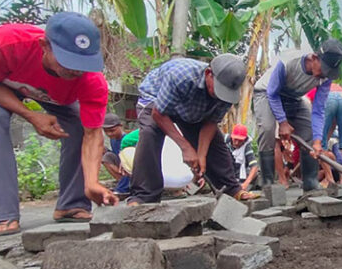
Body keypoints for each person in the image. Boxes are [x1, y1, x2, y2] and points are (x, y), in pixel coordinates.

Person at [0, 12, 118, 236]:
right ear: (44, 45)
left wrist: (92, 182)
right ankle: (3, 213)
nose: (75, 70)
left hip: (50, 95)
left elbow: (92, 134)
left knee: (77, 123)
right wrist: (31, 115)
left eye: (82, 64)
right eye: (68, 62)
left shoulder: (91, 81)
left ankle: (72, 203)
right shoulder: (8, 42)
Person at [128, 55, 258, 205]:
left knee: (216, 144)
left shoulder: (228, 93)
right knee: (150, 133)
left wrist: (201, 155)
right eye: (217, 89)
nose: (219, 95)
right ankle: (144, 197)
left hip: (191, 110)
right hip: (156, 101)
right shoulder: (181, 77)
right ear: (209, 74)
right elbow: (159, 114)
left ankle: (231, 190)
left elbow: (210, 122)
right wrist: (186, 148)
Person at [253, 39, 342, 191]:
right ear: (314, 58)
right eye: (324, 69)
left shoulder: (325, 78)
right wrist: (283, 122)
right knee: (267, 128)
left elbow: (318, 110)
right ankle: (268, 182)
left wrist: (317, 141)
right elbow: (273, 94)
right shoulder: (288, 62)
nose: (325, 74)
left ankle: (310, 183)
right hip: (266, 93)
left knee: (309, 133)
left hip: (294, 98)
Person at [101, 113, 131, 196]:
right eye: (106, 131)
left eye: (112, 130)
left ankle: (124, 187)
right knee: (106, 157)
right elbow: (115, 155)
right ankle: (122, 182)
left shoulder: (126, 139)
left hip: (129, 166)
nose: (109, 134)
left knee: (125, 164)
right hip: (121, 166)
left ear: (120, 126)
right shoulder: (113, 140)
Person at [225, 124, 259, 190]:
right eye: (235, 139)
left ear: (245, 139)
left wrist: (246, 183)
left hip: (240, 173)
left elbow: (254, 167)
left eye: (240, 141)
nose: (237, 143)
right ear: (231, 136)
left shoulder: (247, 146)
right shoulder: (224, 140)